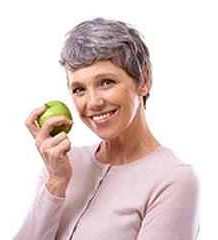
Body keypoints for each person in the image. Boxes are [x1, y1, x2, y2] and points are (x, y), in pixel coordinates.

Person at [13, 18, 199, 240]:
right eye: (79, 89)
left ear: (144, 80)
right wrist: (55, 183)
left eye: (106, 82)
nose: (93, 103)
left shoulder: (173, 179)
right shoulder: (62, 164)